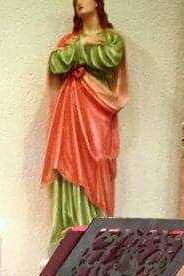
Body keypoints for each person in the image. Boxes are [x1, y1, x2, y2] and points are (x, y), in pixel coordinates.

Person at [41, 0, 128, 244]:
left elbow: (110, 59)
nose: (79, 2)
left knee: (98, 163)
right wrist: (82, 44)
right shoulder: (68, 40)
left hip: (98, 111)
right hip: (70, 112)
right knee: (68, 166)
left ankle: (96, 232)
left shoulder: (112, 39)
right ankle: (68, 231)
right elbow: (55, 63)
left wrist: (78, 52)